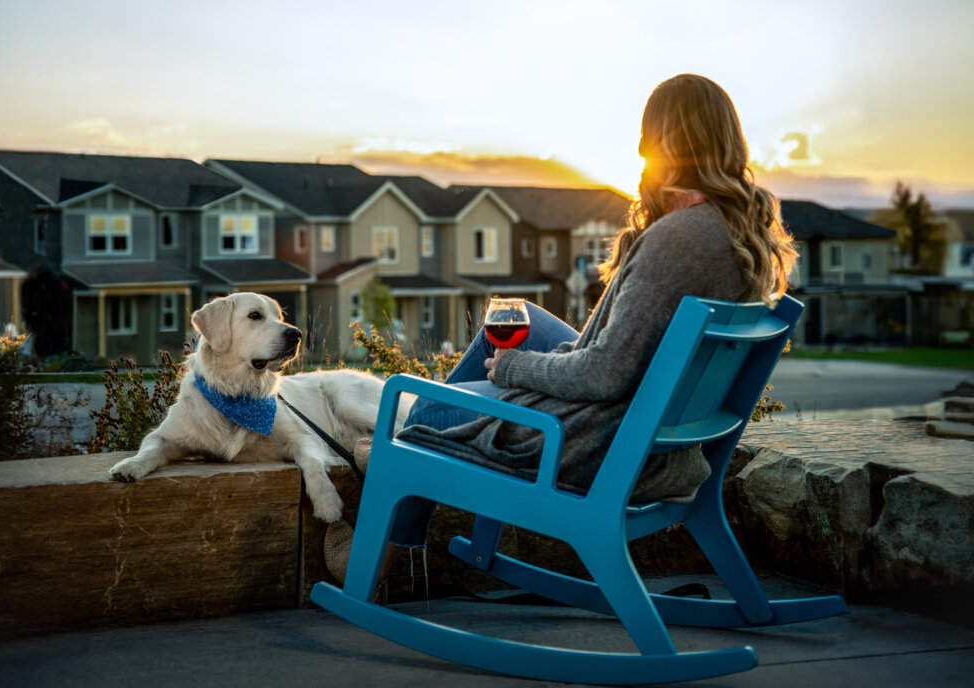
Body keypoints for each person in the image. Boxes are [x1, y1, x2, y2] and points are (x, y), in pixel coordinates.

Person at [324, 73, 798, 588]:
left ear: (662, 143)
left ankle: (377, 555)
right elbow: (621, 354)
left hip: (597, 438)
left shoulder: (678, 240)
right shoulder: (740, 229)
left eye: (647, 138)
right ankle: (401, 475)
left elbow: (605, 374)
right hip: (648, 426)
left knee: (429, 410)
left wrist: (513, 369)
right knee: (511, 322)